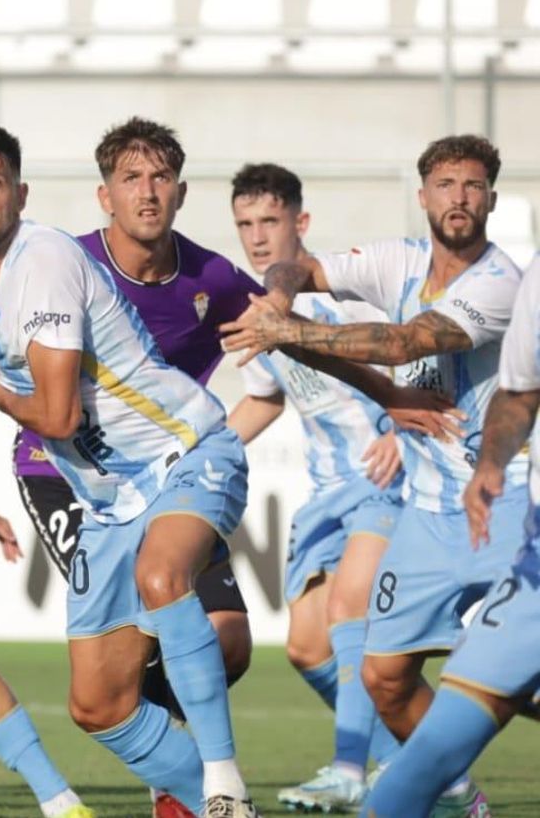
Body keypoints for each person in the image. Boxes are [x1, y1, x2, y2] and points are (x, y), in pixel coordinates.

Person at [0, 120, 259, 816]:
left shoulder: (43, 260)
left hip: (184, 455)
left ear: (21, 193)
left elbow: (58, 419)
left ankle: (223, 781)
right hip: (108, 502)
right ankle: (205, 800)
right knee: (98, 705)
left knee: (166, 579)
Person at [221, 134, 529, 816]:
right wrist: (278, 302)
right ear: (423, 196)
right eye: (445, 185)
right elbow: (299, 271)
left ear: (491, 200)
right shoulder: (399, 259)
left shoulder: (500, 282)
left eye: (473, 186)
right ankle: (452, 794)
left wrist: (287, 331)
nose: (459, 198)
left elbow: (403, 344)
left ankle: (366, 771)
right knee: (383, 676)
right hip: (424, 514)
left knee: (515, 681)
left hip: (501, 503)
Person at [12, 118, 255, 732]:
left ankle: (176, 770)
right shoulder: (66, 264)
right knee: (138, 639)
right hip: (69, 476)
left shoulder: (211, 279)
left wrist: (386, 389)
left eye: (161, 177)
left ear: (180, 191)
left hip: (167, 473)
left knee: (226, 642)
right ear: (105, 196)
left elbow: (285, 326)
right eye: (131, 178)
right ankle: (189, 779)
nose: (147, 191)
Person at [223, 163, 405, 809]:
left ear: (301, 223)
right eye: (245, 224)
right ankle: (408, 758)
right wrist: (199, 449)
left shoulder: (348, 295)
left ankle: (351, 767)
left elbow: (421, 354)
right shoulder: (258, 314)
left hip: (386, 479)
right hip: (325, 492)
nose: (257, 236)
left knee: (349, 610)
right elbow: (264, 400)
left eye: (270, 220)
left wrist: (398, 430)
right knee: (306, 647)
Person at [361, 254, 540, 816]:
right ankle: (462, 800)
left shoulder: (501, 281)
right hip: (531, 555)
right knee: (404, 704)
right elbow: (518, 393)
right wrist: (489, 465)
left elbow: (403, 343)